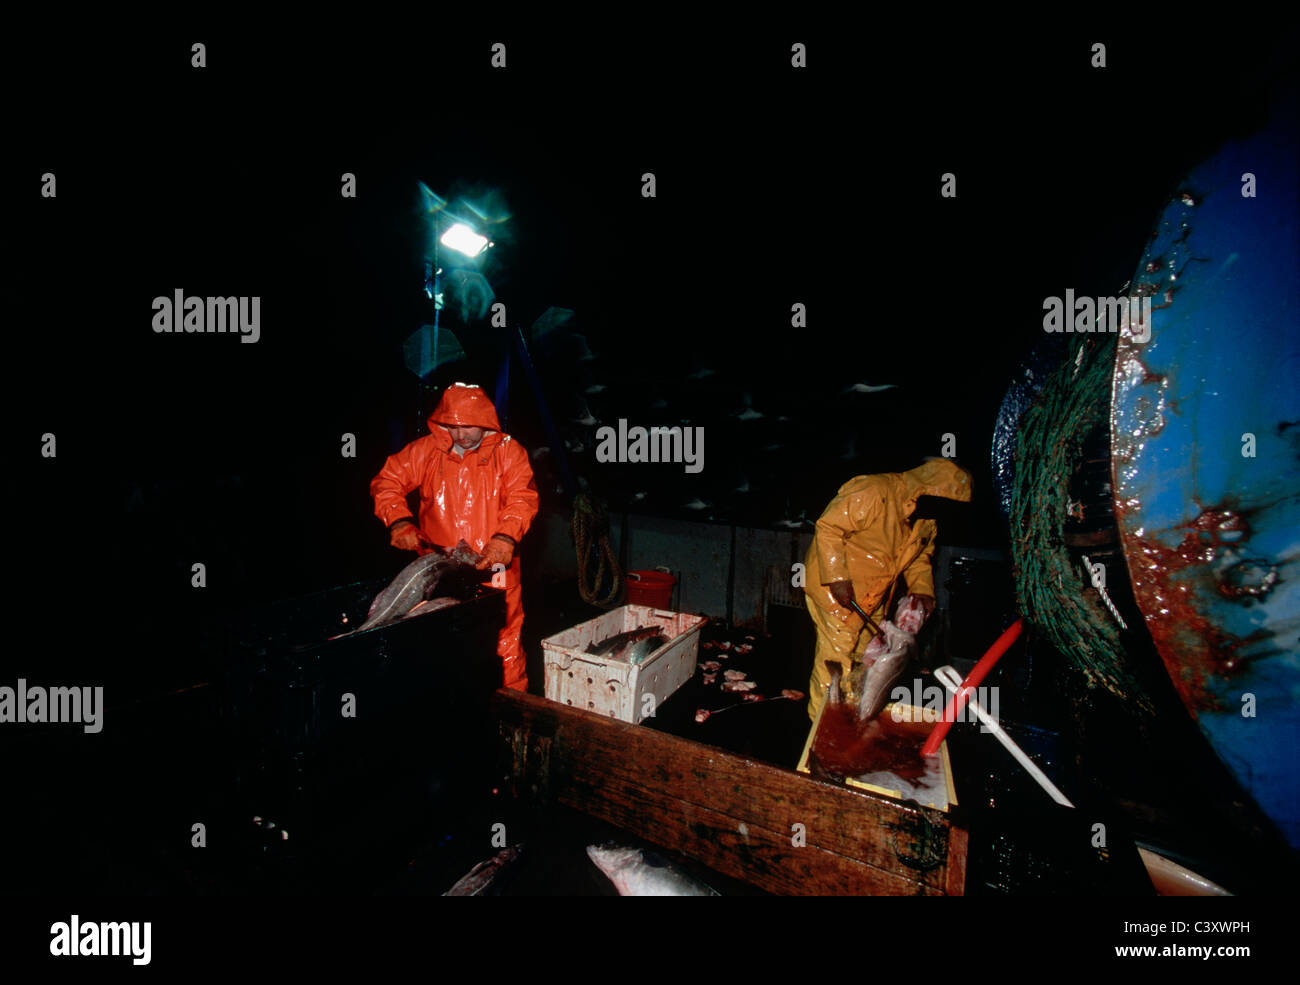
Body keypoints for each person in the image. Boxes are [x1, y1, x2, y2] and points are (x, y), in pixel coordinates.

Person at [370, 382, 539, 691]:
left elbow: (522, 498)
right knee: (434, 637)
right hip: (437, 568)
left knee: (505, 637)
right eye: (453, 425)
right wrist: (398, 522)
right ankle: (446, 707)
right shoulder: (425, 451)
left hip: (494, 567)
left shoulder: (510, 453)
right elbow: (387, 481)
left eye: (469, 426)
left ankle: (513, 710)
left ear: (486, 420)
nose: (461, 435)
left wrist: (505, 538)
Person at [803, 458, 972, 722]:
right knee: (834, 664)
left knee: (865, 657)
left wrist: (922, 590)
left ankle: (853, 712)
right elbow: (828, 527)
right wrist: (836, 577)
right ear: (927, 490)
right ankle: (821, 729)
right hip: (835, 594)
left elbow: (919, 558)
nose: (942, 512)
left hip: (872, 596)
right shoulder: (874, 491)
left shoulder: (927, 519)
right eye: (941, 503)